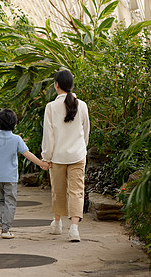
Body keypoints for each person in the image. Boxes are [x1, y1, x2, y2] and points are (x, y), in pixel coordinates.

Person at [0, 109, 49, 239]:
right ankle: (6, 230)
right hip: (10, 177)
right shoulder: (16, 139)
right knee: (10, 202)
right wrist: (41, 163)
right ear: (14, 124)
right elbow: (27, 154)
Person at [41, 70, 90, 242]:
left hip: (58, 156)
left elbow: (49, 135)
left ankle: (57, 224)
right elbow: (86, 131)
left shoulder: (51, 107)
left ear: (56, 85)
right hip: (78, 154)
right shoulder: (82, 105)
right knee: (77, 191)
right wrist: (81, 148)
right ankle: (74, 229)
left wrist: (46, 157)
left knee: (58, 190)